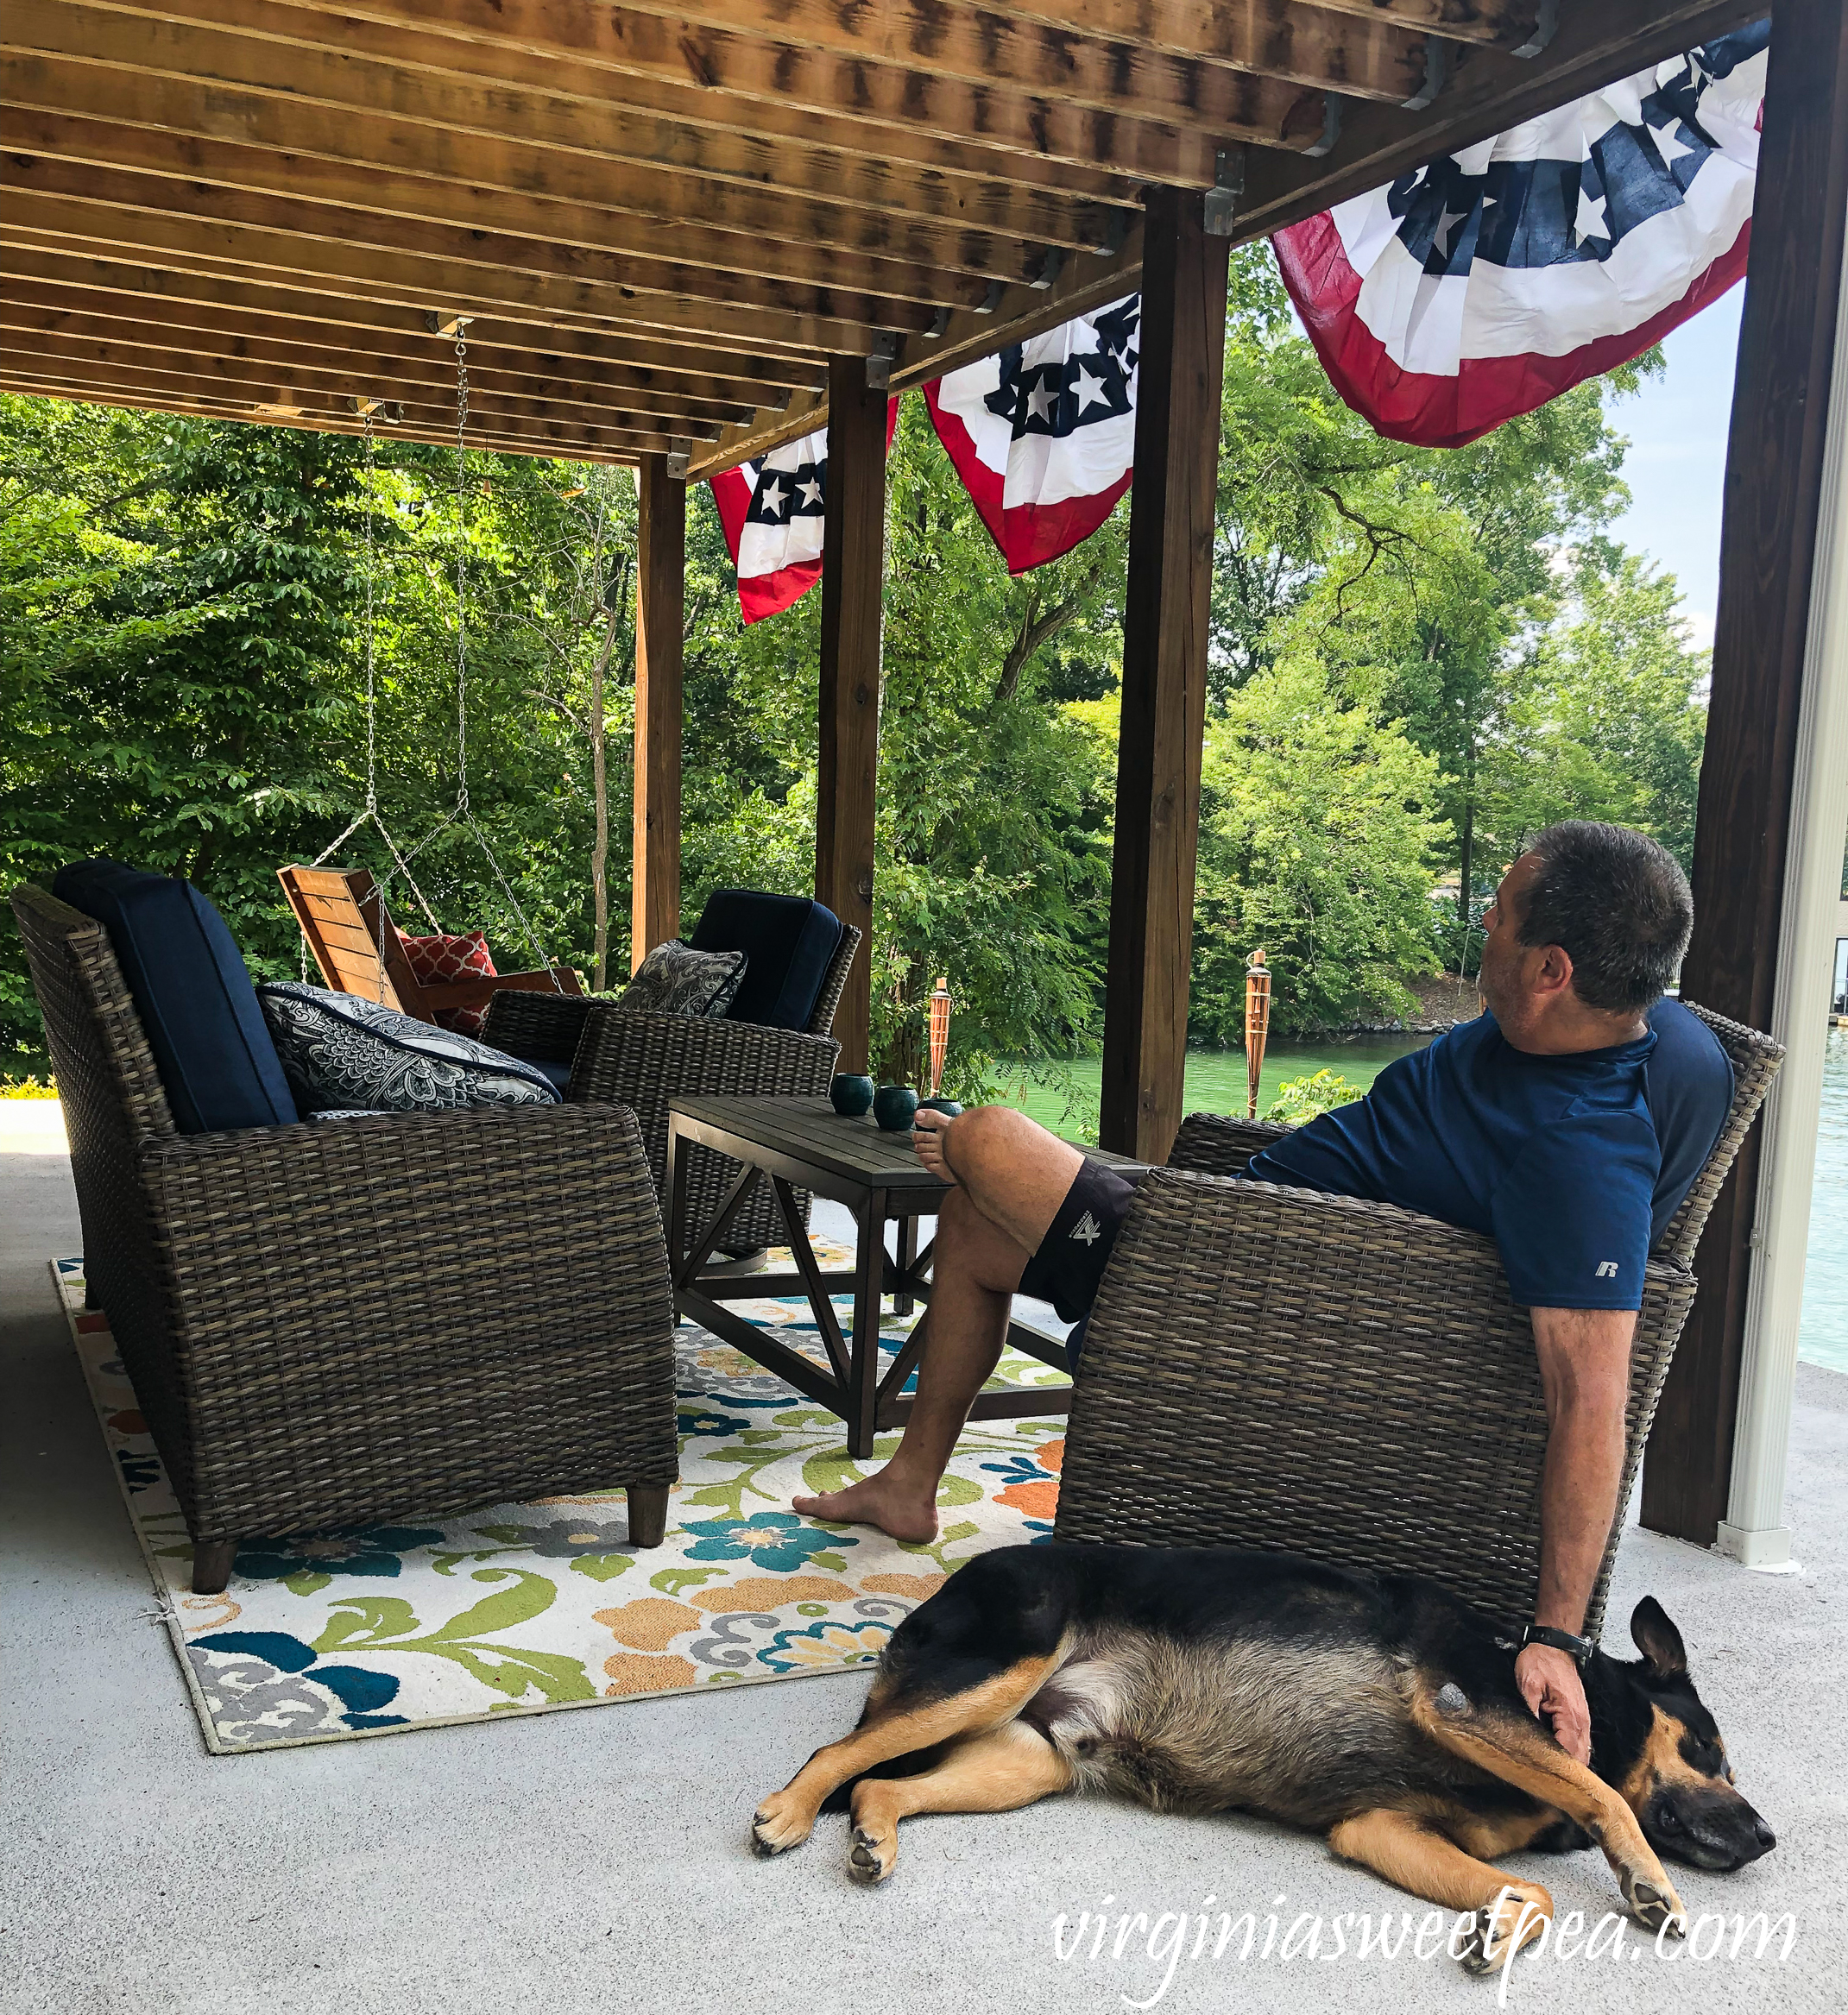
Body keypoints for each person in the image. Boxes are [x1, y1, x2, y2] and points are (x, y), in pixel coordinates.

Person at [792, 821, 1734, 1767]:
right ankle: (911, 1487)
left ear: (1551, 972)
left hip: (1227, 1288)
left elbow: (1590, 1402)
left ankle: (968, 1162)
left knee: (985, 1137)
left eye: (1500, 911)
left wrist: (1556, 1637)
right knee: (970, 1217)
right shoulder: (1673, 1044)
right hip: (1240, 1220)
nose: (1482, 919)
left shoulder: (1578, 1158)